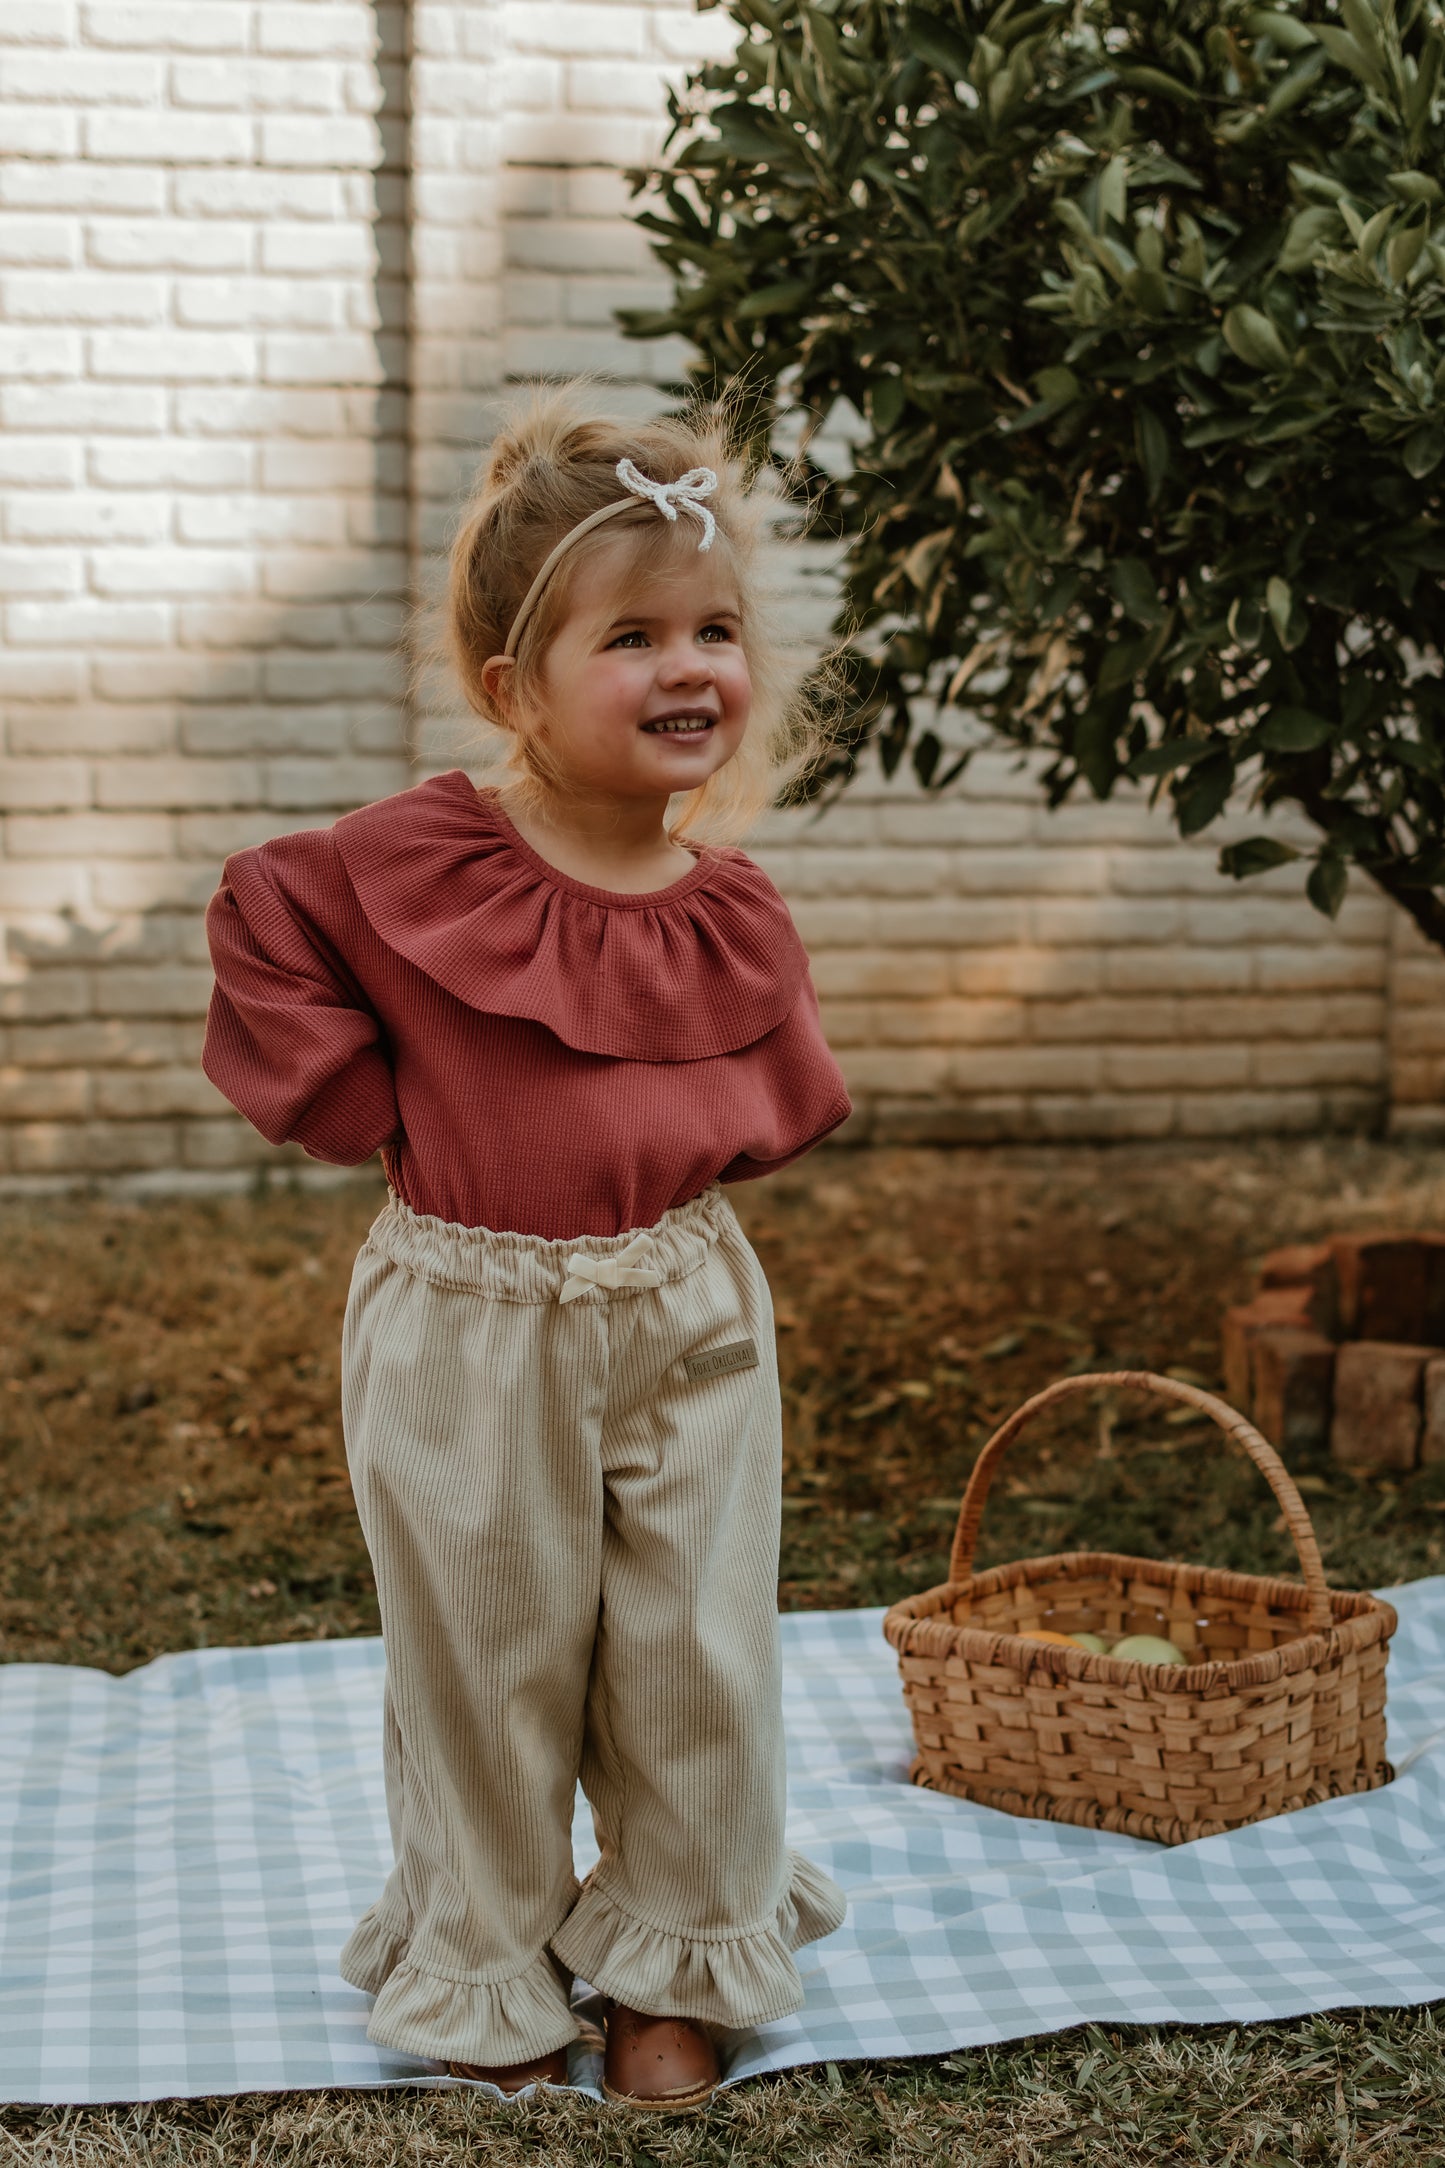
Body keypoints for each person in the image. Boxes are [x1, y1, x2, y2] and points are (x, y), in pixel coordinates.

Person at [201, 389, 852, 2111]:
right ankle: (488, 1957)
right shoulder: (426, 863)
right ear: (513, 686)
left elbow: (743, 1104)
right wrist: (375, 1112)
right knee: (483, 1656)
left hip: (684, 1307)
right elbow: (261, 918)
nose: (686, 666)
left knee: (694, 1650)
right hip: (467, 1321)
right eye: (628, 636)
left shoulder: (725, 908)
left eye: (712, 629)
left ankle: (673, 1961)